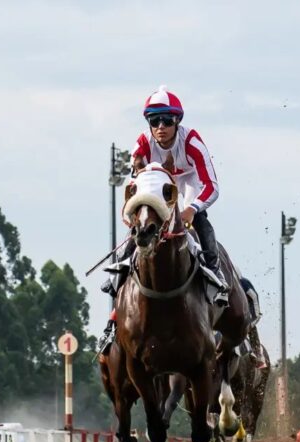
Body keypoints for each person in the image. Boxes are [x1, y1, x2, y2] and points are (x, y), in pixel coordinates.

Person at [97, 85, 229, 353]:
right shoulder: (142, 144)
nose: (160, 127)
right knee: (141, 227)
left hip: (188, 185)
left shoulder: (192, 142)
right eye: (154, 121)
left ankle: (215, 274)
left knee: (200, 220)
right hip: (158, 189)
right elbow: (135, 185)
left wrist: (191, 208)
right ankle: (118, 280)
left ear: (177, 121)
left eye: (167, 120)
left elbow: (212, 185)